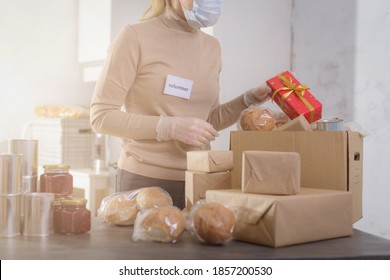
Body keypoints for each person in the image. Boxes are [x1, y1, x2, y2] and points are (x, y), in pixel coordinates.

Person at [90, 0, 270, 209]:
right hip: (144, 181)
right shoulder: (135, 37)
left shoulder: (212, 47)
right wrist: (172, 128)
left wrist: (248, 100)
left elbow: (208, 120)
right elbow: (101, 116)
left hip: (201, 179)